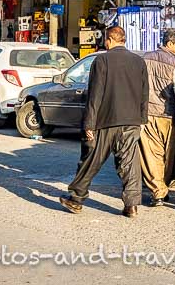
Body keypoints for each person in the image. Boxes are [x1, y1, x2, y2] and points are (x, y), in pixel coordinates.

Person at [60, 26, 147, 218]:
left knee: (91, 159)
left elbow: (95, 94)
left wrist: (89, 123)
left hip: (106, 120)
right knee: (129, 163)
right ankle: (131, 205)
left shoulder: (102, 60)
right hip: (131, 120)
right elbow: (144, 93)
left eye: (105, 40)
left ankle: (76, 198)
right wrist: (141, 119)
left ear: (109, 40)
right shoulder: (138, 61)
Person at [140, 28, 175, 207]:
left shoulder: (145, 58)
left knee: (151, 155)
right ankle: (161, 190)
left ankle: (158, 190)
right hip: (169, 115)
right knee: (167, 154)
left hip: (147, 114)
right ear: (170, 44)